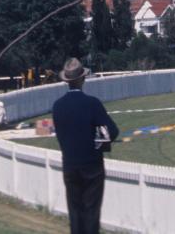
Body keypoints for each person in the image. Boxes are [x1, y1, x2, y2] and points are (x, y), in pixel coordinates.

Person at [52, 58, 119, 234]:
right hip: (91, 165)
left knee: (75, 214)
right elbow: (112, 131)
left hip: (70, 164)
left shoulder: (58, 106)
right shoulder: (92, 104)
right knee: (91, 213)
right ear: (83, 79)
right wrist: (98, 144)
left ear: (66, 81)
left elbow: (61, 136)